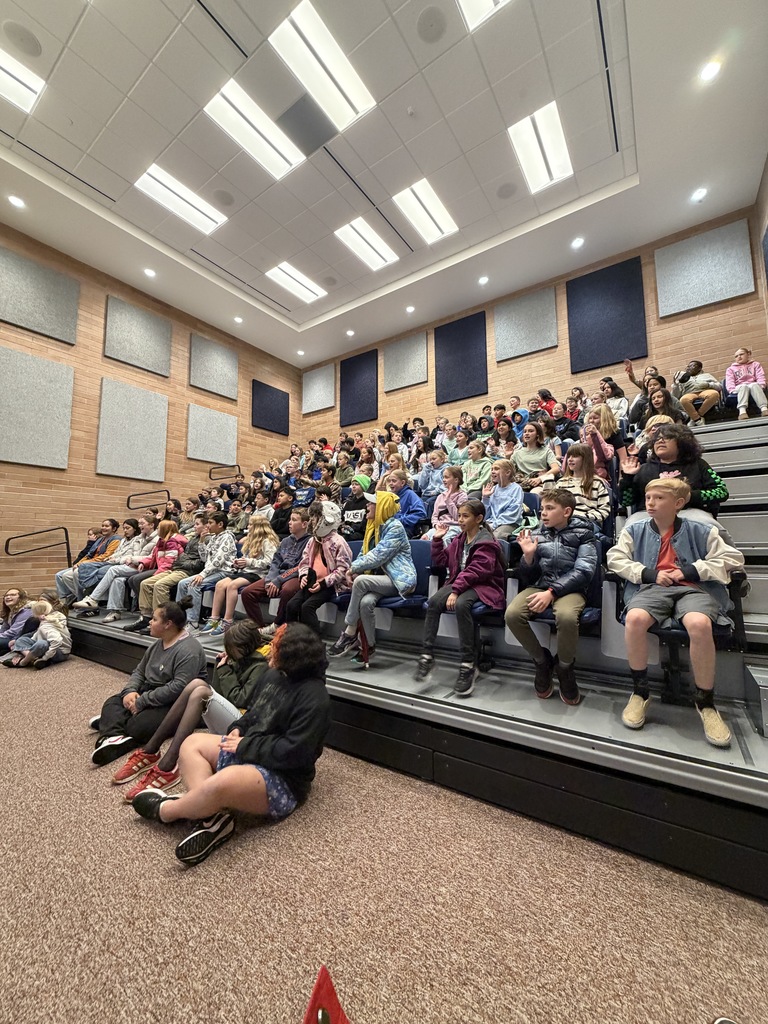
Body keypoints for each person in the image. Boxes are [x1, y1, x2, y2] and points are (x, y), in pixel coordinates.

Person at [132, 623, 331, 867]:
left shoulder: (316, 698)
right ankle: (213, 818)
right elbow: (253, 713)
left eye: (275, 647)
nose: (269, 650)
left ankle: (167, 810)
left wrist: (244, 745)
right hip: (248, 750)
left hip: (283, 778)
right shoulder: (272, 675)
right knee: (191, 743)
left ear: (291, 655)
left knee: (221, 782)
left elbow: (295, 753)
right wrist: (239, 728)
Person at [607, 478, 745, 747]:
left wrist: (690, 571)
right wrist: (649, 574)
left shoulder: (700, 528)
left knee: (699, 624)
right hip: (652, 587)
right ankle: (640, 692)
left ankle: (705, 703)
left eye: (659, 498)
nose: (650, 503)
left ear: (678, 503)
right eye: (648, 498)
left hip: (694, 588)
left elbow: (733, 558)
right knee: (635, 619)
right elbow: (615, 559)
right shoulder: (634, 528)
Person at [110, 620, 270, 802]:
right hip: (230, 718)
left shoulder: (261, 666)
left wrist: (225, 670)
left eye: (234, 650)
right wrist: (222, 666)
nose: (230, 653)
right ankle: (151, 750)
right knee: (197, 685)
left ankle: (169, 763)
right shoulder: (238, 659)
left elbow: (240, 699)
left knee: (201, 690)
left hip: (243, 726)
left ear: (245, 647)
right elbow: (217, 690)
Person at [505, 489, 599, 706]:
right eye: (542, 509)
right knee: (512, 614)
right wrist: (528, 557)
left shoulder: (585, 533)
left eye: (549, 509)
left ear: (567, 511)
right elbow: (528, 576)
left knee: (566, 617)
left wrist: (552, 592)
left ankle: (565, 667)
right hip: (542, 585)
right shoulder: (537, 533)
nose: (543, 514)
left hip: (571, 589)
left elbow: (584, 571)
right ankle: (541, 661)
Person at [90, 600, 208, 766]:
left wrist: (142, 701)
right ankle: (112, 735)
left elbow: (179, 688)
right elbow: (139, 671)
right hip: (151, 692)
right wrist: (130, 691)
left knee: (138, 726)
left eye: (154, 619)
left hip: (177, 702)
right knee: (111, 702)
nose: (150, 622)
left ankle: (112, 725)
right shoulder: (156, 644)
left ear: (168, 624)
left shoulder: (189, 650)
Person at [413, 499, 506, 696]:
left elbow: (477, 571)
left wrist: (456, 590)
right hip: (461, 582)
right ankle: (427, 655)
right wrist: (437, 541)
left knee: (463, 604)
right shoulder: (459, 540)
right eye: (460, 515)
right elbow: (443, 562)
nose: (461, 520)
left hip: (485, 586)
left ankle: (468, 663)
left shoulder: (487, 542)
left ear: (479, 519)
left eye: (465, 516)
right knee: (434, 602)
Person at [329, 490, 416, 665]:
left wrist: (353, 570)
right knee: (365, 603)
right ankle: (369, 646)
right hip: (379, 580)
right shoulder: (373, 527)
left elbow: (378, 555)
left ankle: (350, 630)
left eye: (371, 503)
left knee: (360, 581)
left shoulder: (395, 527)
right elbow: (364, 554)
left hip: (399, 580)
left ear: (382, 507)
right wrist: (355, 568)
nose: (367, 505)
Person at [619, 424, 728, 517]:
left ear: (682, 442)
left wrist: (689, 497)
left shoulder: (698, 464)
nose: (660, 440)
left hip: (691, 515)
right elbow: (626, 501)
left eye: (667, 437)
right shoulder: (643, 469)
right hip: (649, 517)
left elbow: (722, 492)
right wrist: (628, 478)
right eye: (657, 438)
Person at [124, 515, 205, 634]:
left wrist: (158, 572)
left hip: (184, 570)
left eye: (197, 524)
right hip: (176, 568)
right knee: (145, 583)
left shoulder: (175, 542)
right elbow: (155, 557)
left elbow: (174, 562)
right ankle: (147, 617)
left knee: (159, 585)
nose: (157, 531)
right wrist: (143, 562)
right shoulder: (171, 540)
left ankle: (162, 618)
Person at [200, 518, 280, 637]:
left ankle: (227, 621)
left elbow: (270, 562)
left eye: (251, 524)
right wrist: (238, 563)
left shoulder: (267, 541)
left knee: (232, 585)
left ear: (259, 526)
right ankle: (214, 618)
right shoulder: (250, 540)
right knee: (220, 584)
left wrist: (249, 562)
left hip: (260, 574)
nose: (248, 526)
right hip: (246, 571)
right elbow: (246, 559)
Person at [73, 516, 163, 622]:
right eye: (139, 524)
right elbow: (131, 554)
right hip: (133, 565)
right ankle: (115, 611)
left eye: (142, 523)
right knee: (117, 580)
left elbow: (151, 558)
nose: (140, 526)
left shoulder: (158, 539)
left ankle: (93, 599)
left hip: (145, 567)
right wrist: (121, 558)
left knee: (113, 570)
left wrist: (131, 559)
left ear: (152, 525)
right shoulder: (139, 538)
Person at [241, 508, 311, 639]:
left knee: (287, 590)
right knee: (247, 592)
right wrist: (270, 580)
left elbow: (301, 566)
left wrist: (278, 580)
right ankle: (259, 628)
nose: (289, 523)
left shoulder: (310, 542)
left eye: (294, 520)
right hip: (277, 575)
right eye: (290, 519)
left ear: (304, 524)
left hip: (295, 576)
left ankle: (277, 624)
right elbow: (275, 562)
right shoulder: (285, 541)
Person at [287, 502, 352, 635]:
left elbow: (343, 569)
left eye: (316, 517)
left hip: (330, 585)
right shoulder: (312, 541)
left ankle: (314, 643)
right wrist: (303, 576)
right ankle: (292, 638)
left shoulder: (339, 542)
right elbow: (304, 562)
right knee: (291, 605)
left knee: (307, 608)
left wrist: (323, 583)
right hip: (312, 582)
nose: (312, 521)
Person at [175, 512, 237, 629]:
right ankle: (180, 618)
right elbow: (205, 558)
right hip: (212, 571)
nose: (207, 525)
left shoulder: (227, 537)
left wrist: (202, 574)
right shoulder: (214, 537)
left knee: (194, 585)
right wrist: (202, 541)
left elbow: (218, 561)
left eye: (210, 523)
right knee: (182, 584)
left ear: (220, 524)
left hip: (224, 572)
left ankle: (193, 622)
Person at [54, 519, 121, 604]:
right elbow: (88, 554)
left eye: (107, 526)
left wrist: (85, 563)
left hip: (102, 564)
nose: (103, 528)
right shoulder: (100, 539)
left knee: (76, 573)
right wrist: (79, 563)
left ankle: (83, 599)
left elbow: (106, 556)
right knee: (65, 576)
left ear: (114, 529)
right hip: (89, 563)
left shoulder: (116, 539)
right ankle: (80, 597)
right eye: (102, 525)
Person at [2, 599, 71, 669]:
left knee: (41, 644)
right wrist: (18, 642)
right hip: (48, 645)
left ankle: (24, 662)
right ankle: (33, 658)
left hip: (60, 652)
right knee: (21, 640)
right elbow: (37, 634)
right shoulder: (50, 617)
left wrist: (45, 657)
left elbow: (56, 641)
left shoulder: (46, 626)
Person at [558, 443, 611, 530]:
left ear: (586, 460)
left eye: (575, 456)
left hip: (588, 522)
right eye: (569, 456)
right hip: (565, 522)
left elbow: (604, 509)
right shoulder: (561, 482)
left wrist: (584, 517)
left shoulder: (597, 482)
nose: (570, 460)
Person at [423, 466, 468, 544]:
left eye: (447, 477)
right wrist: (437, 526)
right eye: (443, 477)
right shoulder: (440, 496)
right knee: (425, 538)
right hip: (440, 526)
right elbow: (434, 516)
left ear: (456, 480)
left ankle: (447, 556)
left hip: (455, 527)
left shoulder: (462, 496)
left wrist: (448, 500)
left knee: (445, 539)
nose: (444, 480)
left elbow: (458, 517)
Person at [480, 459, 524, 540]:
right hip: (491, 522)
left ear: (507, 472)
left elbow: (512, 513)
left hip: (509, 523)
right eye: (492, 469)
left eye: (496, 469)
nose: (492, 471)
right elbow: (485, 515)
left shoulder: (516, 489)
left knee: (495, 537)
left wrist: (494, 524)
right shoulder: (493, 489)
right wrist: (485, 498)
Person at [512, 421, 560, 493]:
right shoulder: (517, 453)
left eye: (531, 431)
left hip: (539, 484)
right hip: (521, 483)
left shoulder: (546, 451)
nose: (527, 433)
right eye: (525, 431)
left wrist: (540, 478)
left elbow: (556, 468)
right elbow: (509, 470)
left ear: (538, 434)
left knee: (535, 493)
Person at [672, 360, 722, 425]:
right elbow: (675, 396)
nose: (689, 368)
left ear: (699, 368)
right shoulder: (683, 378)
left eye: (692, 366)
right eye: (688, 366)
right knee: (683, 400)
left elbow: (719, 386)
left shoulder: (707, 375)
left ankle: (695, 418)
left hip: (705, 391)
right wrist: (676, 385)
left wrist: (708, 385)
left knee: (714, 394)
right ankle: (698, 419)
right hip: (690, 393)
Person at [725, 346, 768, 419]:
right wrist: (731, 390)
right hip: (739, 387)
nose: (739, 357)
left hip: (753, 385)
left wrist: (761, 385)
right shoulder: (730, 369)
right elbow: (729, 381)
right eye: (736, 356)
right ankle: (742, 411)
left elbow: (760, 376)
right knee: (743, 386)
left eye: (741, 354)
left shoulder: (755, 364)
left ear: (748, 354)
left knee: (754, 385)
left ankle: (764, 408)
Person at [387, 469, 427, 537]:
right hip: (391, 527)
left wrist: (400, 520)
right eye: (389, 481)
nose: (390, 483)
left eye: (394, 481)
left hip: (405, 528)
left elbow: (421, 514)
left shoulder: (410, 495)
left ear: (402, 483)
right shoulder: (390, 496)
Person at [0, 587, 33, 655]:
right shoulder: (10, 612)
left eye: (13, 595)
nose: (8, 597)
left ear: (21, 597)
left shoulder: (26, 610)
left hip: (20, 640)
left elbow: (14, 632)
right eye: (6, 595)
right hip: (11, 639)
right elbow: (3, 630)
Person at [340, 473, 372, 542]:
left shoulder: (368, 503)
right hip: (346, 531)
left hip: (360, 533)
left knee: (342, 539)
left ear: (364, 486)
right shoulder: (349, 503)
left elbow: (365, 524)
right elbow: (341, 518)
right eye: (353, 484)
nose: (353, 486)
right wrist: (342, 527)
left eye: (357, 484)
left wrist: (352, 528)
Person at [416, 449, 447, 518]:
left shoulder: (446, 469)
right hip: (428, 493)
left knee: (429, 502)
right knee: (418, 502)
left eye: (434, 459)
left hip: (440, 494)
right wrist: (425, 470)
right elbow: (422, 485)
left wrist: (435, 491)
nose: (431, 462)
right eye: (430, 460)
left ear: (442, 460)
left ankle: (428, 522)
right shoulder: (429, 469)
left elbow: (446, 485)